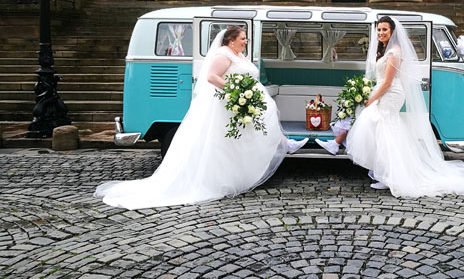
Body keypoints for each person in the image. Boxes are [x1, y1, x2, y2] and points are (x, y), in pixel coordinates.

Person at [95, 26, 307, 210]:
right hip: (229, 104)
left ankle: (284, 144)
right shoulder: (223, 55)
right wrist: (236, 91)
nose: (245, 42)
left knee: (242, 139)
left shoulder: (237, 54)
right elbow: (212, 77)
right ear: (231, 40)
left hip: (242, 102)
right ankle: (278, 148)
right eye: (243, 38)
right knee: (225, 142)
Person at [327, 16, 464, 200]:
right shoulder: (386, 49)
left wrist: (372, 98)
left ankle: (390, 175)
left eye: (384, 29)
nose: (381, 33)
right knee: (382, 129)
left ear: (392, 31)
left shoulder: (394, 52)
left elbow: (388, 82)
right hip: (386, 92)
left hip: (390, 94)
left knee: (383, 129)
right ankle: (384, 172)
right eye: (378, 30)